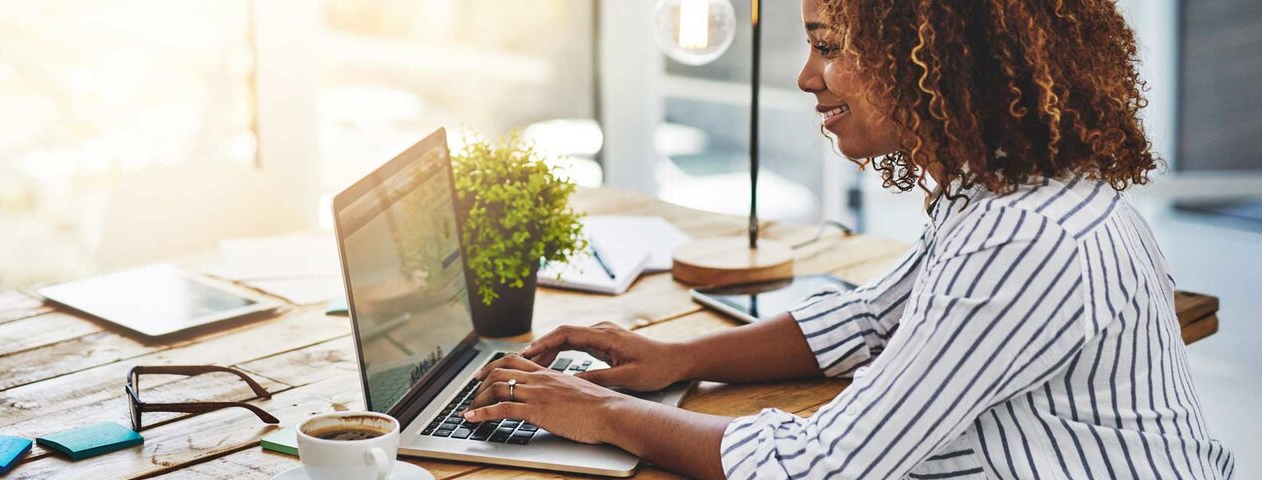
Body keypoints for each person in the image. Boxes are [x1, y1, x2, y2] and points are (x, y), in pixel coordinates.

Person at [462, 0, 1236, 478]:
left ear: (932, 57)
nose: (807, 77)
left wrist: (597, 413)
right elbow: (869, 320)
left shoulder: (1023, 237)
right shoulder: (1003, 189)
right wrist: (679, 358)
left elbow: (823, 466)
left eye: (829, 45)